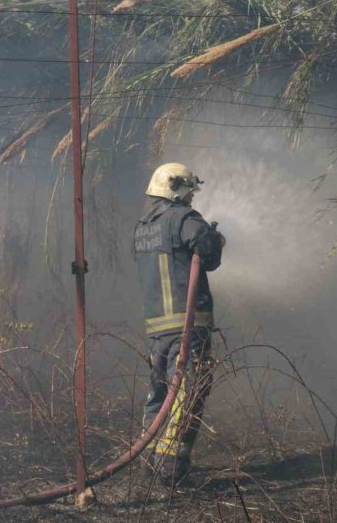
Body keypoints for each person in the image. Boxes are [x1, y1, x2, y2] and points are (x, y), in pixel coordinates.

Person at [132, 162, 224, 484]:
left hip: (157, 327)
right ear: (176, 191)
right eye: (189, 193)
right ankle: (171, 469)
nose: (191, 199)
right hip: (187, 324)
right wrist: (216, 239)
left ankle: (148, 459)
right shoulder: (184, 218)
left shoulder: (143, 227)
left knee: (159, 392)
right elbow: (208, 252)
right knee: (188, 392)